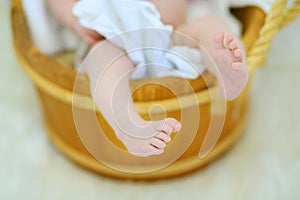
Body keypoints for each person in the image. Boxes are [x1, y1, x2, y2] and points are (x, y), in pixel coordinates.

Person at [46, 0, 248, 157]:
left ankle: (224, 67)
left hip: (174, 35)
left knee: (211, 28)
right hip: (113, 40)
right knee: (103, 60)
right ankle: (127, 123)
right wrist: (74, 20)